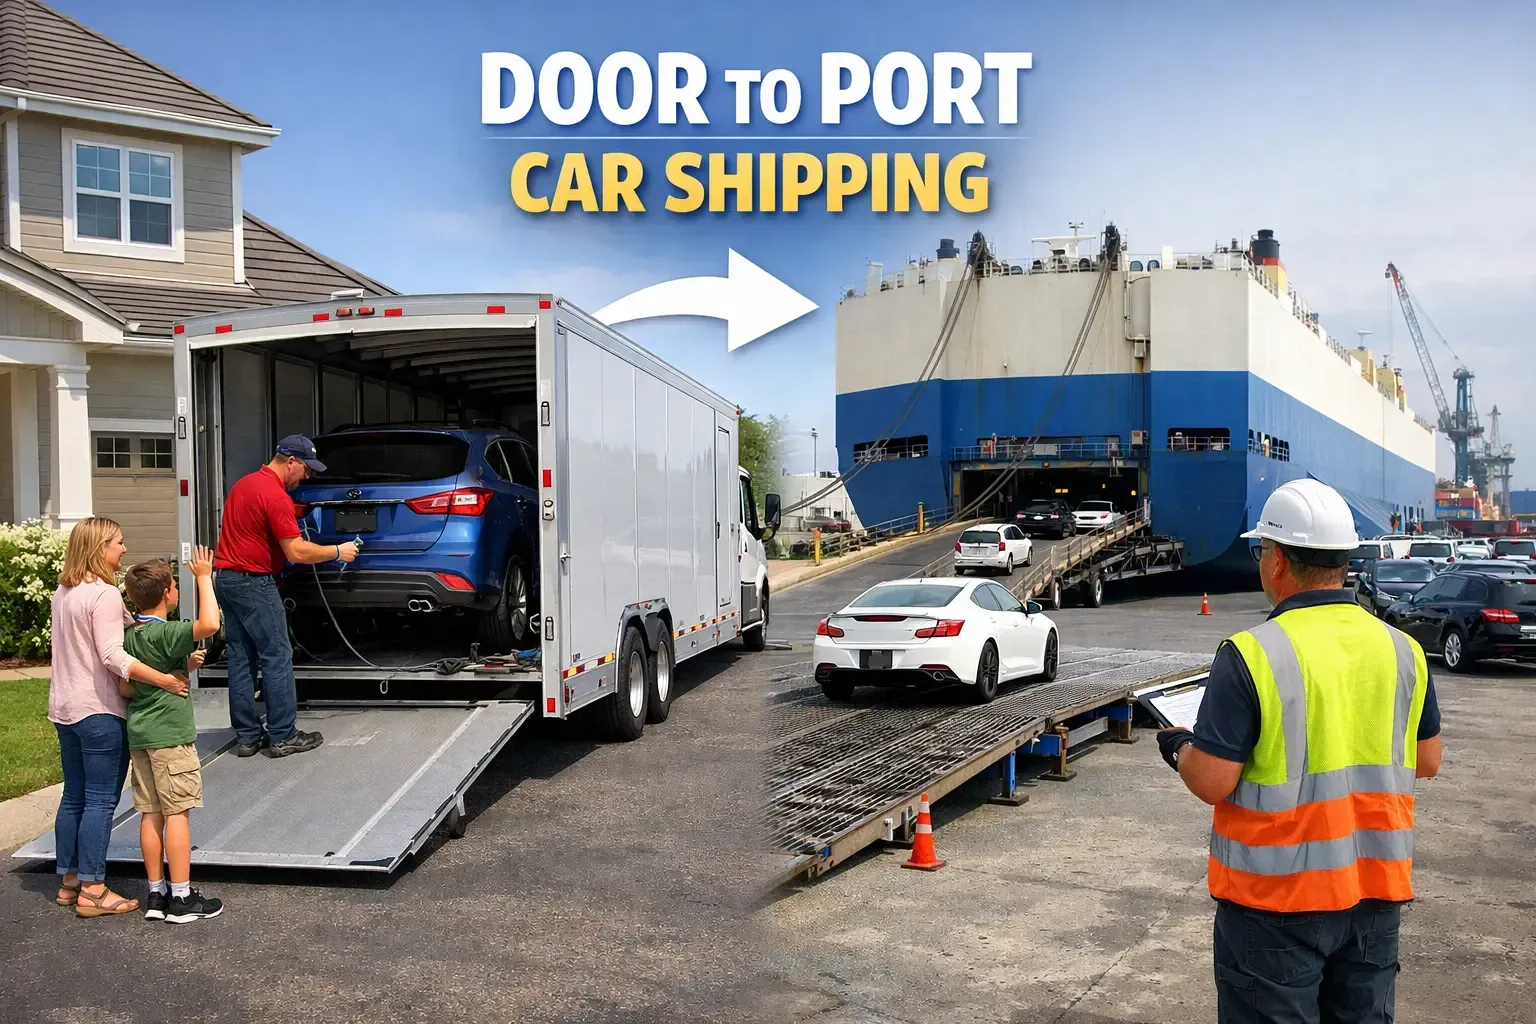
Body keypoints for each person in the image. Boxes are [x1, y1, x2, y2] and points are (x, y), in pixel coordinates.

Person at [1156, 479, 1442, 1023]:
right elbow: (1427, 761)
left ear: (1278, 561)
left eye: (1261, 550)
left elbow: (1213, 780)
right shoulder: (1402, 649)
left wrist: (1179, 747)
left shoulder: (1251, 654)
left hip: (1275, 906)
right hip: (1374, 894)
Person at [48, 517, 192, 917]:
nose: (123, 550)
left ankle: (70, 881)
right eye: (118, 543)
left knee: (74, 795)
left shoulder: (64, 591)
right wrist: (164, 679)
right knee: (99, 800)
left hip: (64, 708)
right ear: (99, 548)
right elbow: (114, 655)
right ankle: (94, 890)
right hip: (98, 710)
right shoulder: (105, 595)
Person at [213, 435, 358, 758]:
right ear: (290, 460)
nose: (306, 477)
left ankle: (248, 737)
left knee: (240, 657)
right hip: (254, 583)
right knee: (277, 655)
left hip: (226, 578)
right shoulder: (275, 496)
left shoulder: (245, 485)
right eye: (305, 469)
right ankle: (283, 735)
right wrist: (337, 551)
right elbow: (296, 551)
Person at [118, 548, 224, 923]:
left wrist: (183, 666)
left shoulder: (131, 637)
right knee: (178, 813)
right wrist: (203, 577)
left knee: (149, 813)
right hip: (171, 737)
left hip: (141, 736)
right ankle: (182, 898)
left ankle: (156, 894)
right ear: (167, 594)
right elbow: (210, 624)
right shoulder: (170, 632)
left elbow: (127, 688)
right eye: (176, 585)